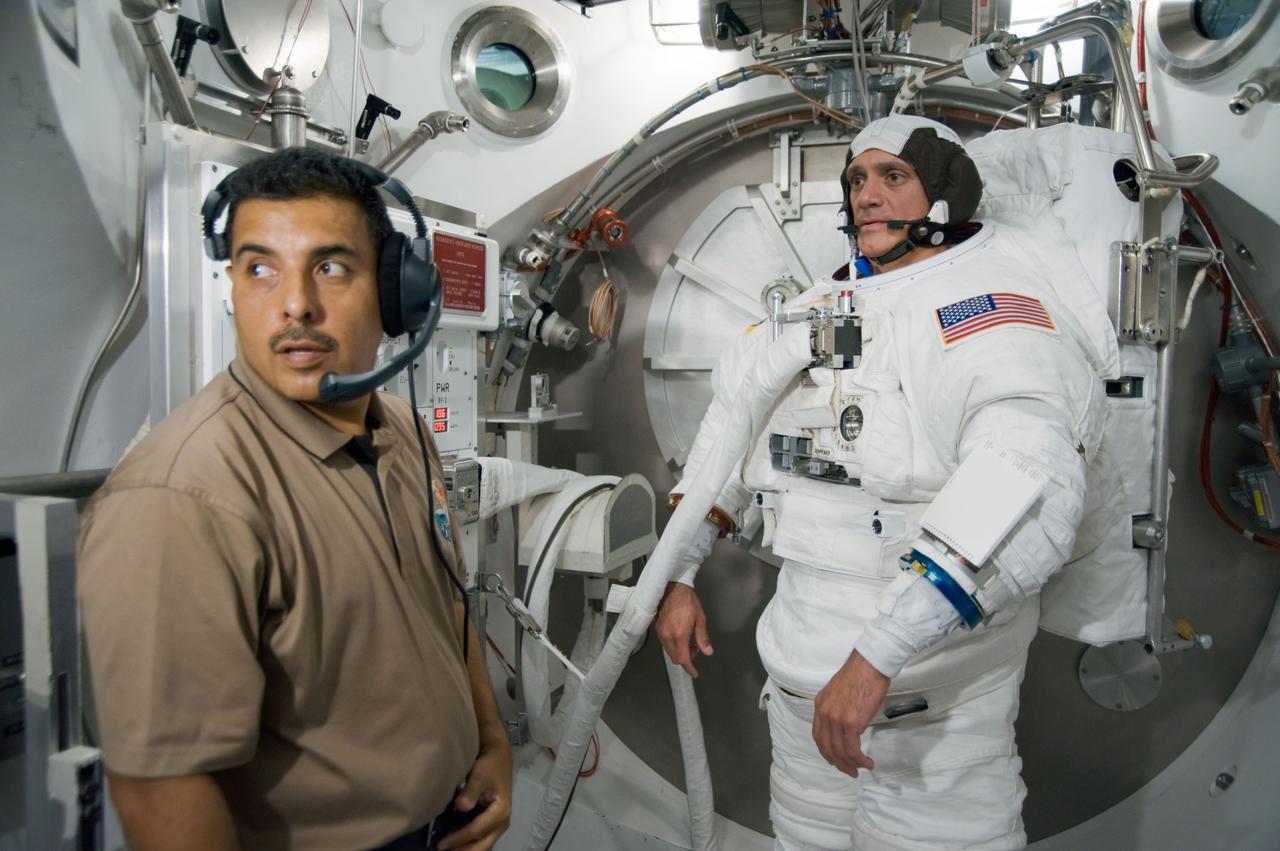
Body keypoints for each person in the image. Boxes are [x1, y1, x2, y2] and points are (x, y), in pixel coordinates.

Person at [656, 115, 1107, 850]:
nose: (867, 194)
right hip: (804, 690)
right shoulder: (812, 312)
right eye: (857, 180)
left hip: (927, 710)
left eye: (892, 177)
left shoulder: (987, 310)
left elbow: (1023, 484)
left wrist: (877, 658)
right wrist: (676, 574)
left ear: (944, 194)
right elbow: (731, 441)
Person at [77, 148, 511, 851]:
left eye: (330, 267)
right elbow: (162, 789)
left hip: (447, 822)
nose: (294, 303)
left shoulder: (401, 430)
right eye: (259, 268)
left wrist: (491, 742)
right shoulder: (180, 497)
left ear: (397, 291)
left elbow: (448, 606)